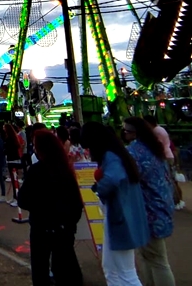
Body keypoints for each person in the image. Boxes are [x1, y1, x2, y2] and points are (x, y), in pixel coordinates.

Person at [82, 122, 147, 286]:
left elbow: (112, 179)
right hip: (120, 219)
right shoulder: (118, 155)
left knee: (126, 273)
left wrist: (98, 188)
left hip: (120, 220)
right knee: (111, 268)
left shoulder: (111, 158)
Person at [17, 129, 84, 286]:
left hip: (42, 228)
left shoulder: (36, 171)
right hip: (63, 229)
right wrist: (69, 224)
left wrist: (40, 208)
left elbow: (23, 200)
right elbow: (76, 203)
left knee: (40, 270)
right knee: (64, 269)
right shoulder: (65, 170)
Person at [122, 118, 176, 286]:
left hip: (146, 211)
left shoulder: (134, 152)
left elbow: (127, 178)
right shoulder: (154, 149)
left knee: (157, 260)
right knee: (150, 257)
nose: (124, 133)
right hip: (161, 205)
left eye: (126, 130)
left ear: (133, 133)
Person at [144, 116, 182, 209]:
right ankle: (177, 201)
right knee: (171, 180)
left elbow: (158, 145)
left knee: (169, 181)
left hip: (165, 156)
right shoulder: (160, 129)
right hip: (168, 155)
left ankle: (176, 201)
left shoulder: (156, 131)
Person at [4, 124, 23, 207]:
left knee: (14, 180)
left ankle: (17, 198)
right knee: (14, 180)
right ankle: (15, 196)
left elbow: (7, 150)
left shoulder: (9, 139)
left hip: (11, 160)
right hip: (15, 159)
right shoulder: (14, 138)